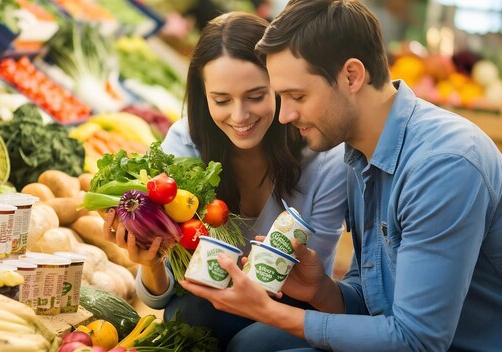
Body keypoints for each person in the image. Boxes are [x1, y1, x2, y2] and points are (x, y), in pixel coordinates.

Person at [178, 1, 502, 351]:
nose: (283, 116)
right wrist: (321, 289)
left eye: (297, 95)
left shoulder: (443, 164)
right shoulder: (359, 153)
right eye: (279, 96)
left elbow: (417, 341)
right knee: (246, 340)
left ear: (351, 76)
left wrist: (268, 311)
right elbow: (374, 302)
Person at [103, 11, 348, 350]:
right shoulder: (187, 144)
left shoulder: (323, 158)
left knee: (249, 344)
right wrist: (151, 262)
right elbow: (160, 299)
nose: (239, 115)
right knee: (190, 315)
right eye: (221, 100)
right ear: (203, 98)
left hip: (287, 309)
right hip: (206, 306)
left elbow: (311, 291)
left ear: (280, 85)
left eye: (256, 95)